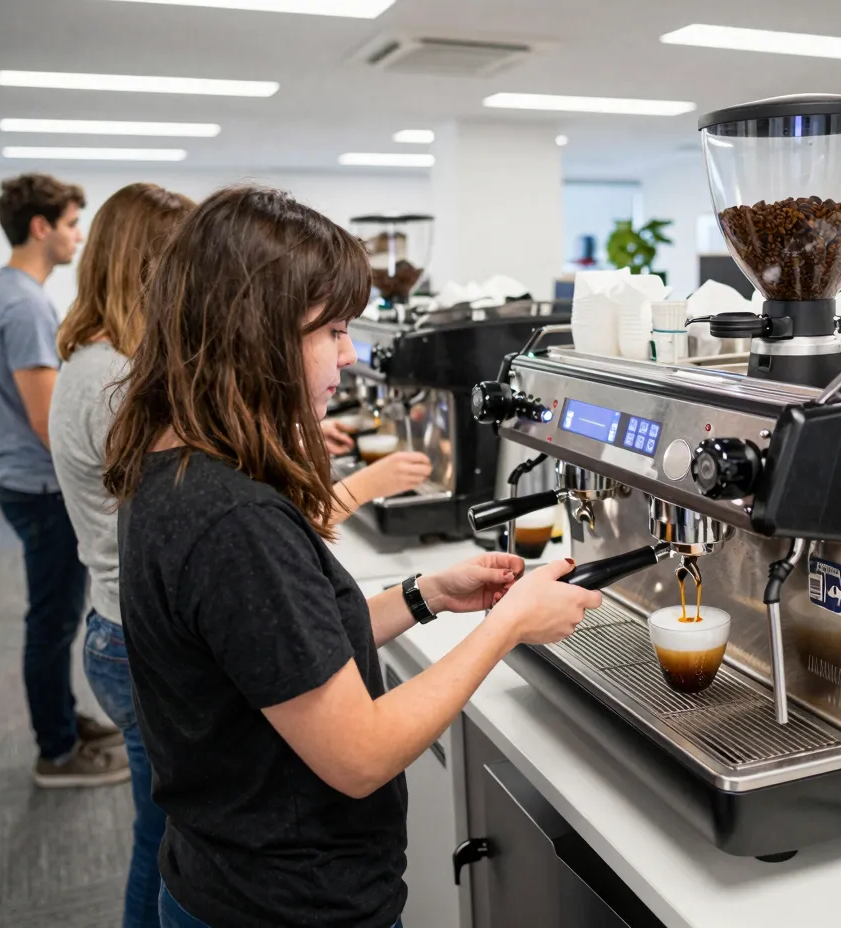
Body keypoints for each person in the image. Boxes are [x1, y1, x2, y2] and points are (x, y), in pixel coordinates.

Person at [102, 185, 599, 928]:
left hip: (224, 875)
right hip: (283, 906)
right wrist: (509, 626)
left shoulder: (177, 464)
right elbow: (359, 754)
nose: (348, 354)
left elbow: (281, 655)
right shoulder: (234, 518)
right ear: (252, 332)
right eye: (330, 329)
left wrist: (426, 595)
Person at [49, 182, 195, 927]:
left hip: (113, 629)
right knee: (166, 839)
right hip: (137, 642)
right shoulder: (118, 383)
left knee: (160, 829)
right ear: (151, 267)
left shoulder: (92, 361)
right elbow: (190, 510)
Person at [0, 173, 128, 786]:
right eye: (69, 224)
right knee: (54, 621)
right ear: (41, 227)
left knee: (55, 616)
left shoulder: (3, 291)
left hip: (21, 483)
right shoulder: (26, 304)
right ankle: (57, 750)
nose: (78, 237)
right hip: (40, 489)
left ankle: (63, 720)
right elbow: (49, 424)